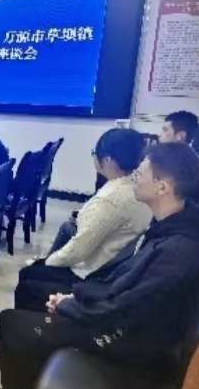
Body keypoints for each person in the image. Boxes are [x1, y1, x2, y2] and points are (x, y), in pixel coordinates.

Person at [0, 142, 199, 389]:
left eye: (140, 173)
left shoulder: (178, 250)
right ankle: (37, 369)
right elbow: (125, 284)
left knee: (9, 322)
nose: (134, 177)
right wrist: (75, 298)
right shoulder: (175, 224)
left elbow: (124, 308)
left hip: (135, 347)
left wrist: (69, 306)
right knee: (35, 297)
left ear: (162, 187)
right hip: (132, 326)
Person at [15, 129, 152, 311]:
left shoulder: (111, 198)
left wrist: (46, 262)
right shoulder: (137, 186)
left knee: (28, 274)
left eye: (95, 153)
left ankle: (37, 323)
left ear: (108, 160)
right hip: (114, 264)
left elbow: (79, 250)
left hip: (93, 273)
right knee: (67, 228)